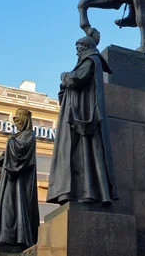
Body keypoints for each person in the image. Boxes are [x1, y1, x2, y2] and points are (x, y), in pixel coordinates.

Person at [47, 37, 118, 205]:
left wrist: (64, 76)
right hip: (77, 112)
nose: (77, 51)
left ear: (86, 47)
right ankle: (78, 191)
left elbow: (77, 79)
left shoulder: (91, 60)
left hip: (84, 114)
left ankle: (90, 191)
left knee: (86, 151)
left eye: (79, 47)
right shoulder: (88, 60)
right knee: (79, 152)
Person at [0, 108, 39, 250]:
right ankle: (3, 235)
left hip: (19, 182)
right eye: (15, 121)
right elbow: (12, 154)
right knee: (6, 206)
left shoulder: (29, 135)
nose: (17, 124)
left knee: (13, 206)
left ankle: (13, 237)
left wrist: (10, 143)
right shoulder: (19, 136)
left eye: (18, 120)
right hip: (9, 180)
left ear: (26, 120)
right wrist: (3, 158)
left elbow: (20, 153)